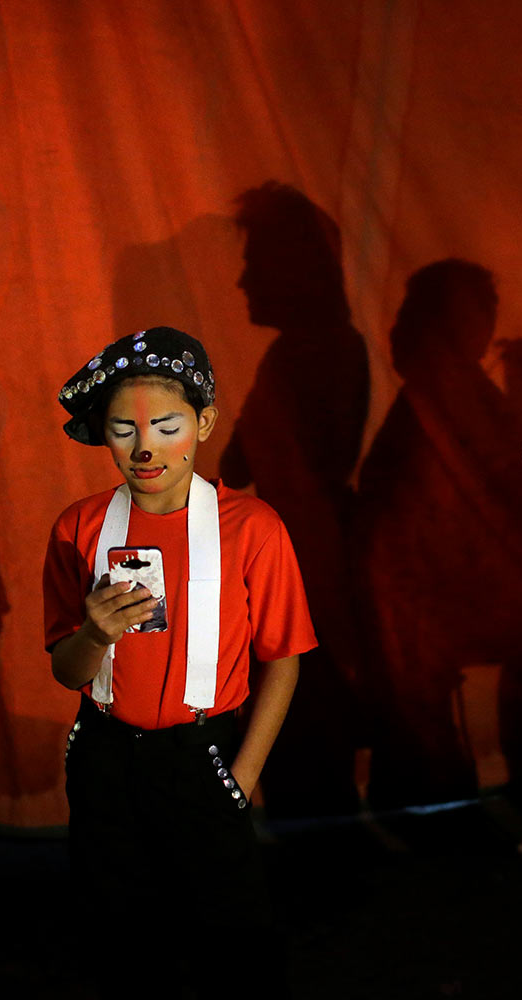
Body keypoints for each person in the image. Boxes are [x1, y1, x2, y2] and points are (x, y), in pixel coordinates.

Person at [43, 327, 315, 999]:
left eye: (165, 426)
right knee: (123, 941)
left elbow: (283, 661)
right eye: (122, 429)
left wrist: (241, 774)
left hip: (206, 754)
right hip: (105, 755)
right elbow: (67, 671)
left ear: (203, 422)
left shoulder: (253, 528)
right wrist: (94, 633)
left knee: (234, 943)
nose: (144, 448)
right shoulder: (77, 529)